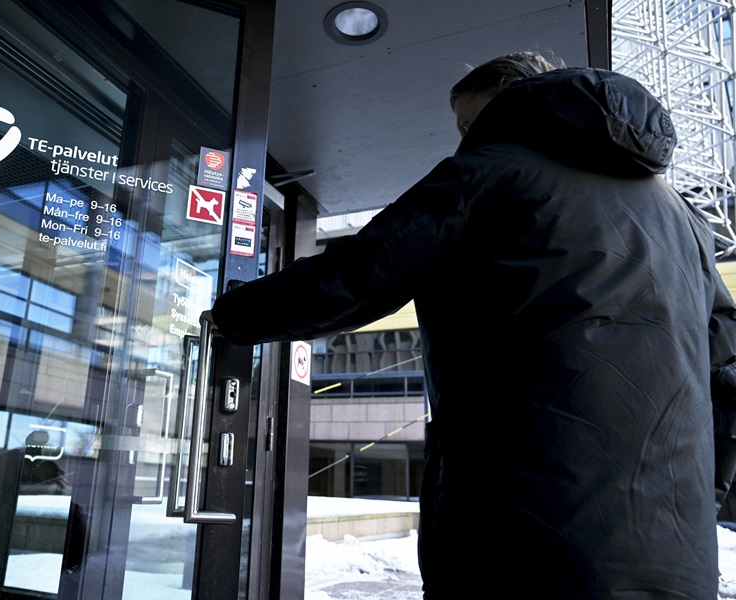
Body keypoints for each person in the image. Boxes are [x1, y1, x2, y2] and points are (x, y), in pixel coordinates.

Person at [204, 51, 736, 599]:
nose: (463, 140)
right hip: (677, 558)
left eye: (469, 124)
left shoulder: (494, 171)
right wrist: (699, 499)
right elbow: (729, 379)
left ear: (517, 105)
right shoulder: (686, 220)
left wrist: (232, 315)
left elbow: (362, 273)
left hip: (523, 537)